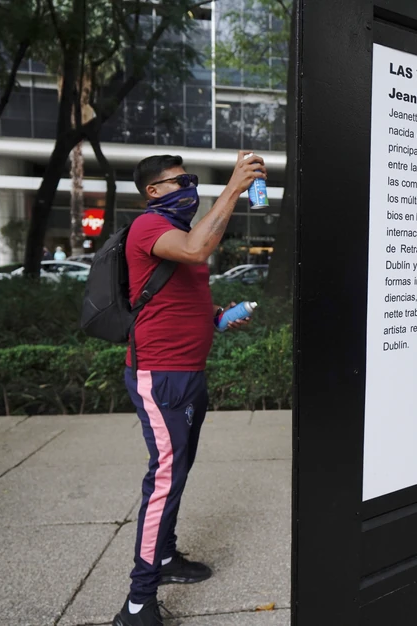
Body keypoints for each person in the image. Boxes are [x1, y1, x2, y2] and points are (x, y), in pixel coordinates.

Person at [112, 152, 266, 626]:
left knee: (175, 474)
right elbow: (198, 250)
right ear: (153, 191)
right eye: (180, 181)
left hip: (188, 373)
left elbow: (182, 293)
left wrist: (220, 316)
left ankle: (164, 556)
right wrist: (234, 189)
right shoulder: (148, 227)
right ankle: (137, 603)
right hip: (159, 377)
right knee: (164, 480)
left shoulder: (178, 233)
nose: (190, 188)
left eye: (192, 180)